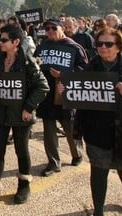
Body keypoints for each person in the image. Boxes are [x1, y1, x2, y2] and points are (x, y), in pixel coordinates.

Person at [71, 27, 122, 216]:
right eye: (99, 44)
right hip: (96, 131)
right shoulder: (90, 68)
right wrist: (66, 92)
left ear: (119, 47)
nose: (103, 48)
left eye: (108, 44)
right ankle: (98, 210)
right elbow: (79, 95)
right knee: (99, 172)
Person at [0, 24, 49, 206]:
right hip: (1, 113)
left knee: (21, 150)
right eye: (0, 39)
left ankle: (24, 185)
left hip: (21, 115)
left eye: (4, 40)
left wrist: (28, 108)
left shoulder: (27, 63)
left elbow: (42, 87)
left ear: (16, 42)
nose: (0, 42)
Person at [35, 18, 87, 177]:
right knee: (49, 130)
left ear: (62, 28)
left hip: (66, 92)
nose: (50, 31)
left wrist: (63, 75)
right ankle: (53, 162)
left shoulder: (74, 47)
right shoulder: (42, 47)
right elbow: (34, 65)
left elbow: (84, 69)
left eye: (53, 28)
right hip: (46, 94)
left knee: (70, 127)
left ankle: (77, 154)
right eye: (47, 29)